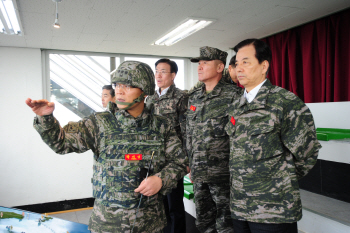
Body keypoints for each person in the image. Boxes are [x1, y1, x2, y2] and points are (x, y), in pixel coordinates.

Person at [25, 61, 188, 233]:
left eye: (128, 85)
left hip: (150, 224)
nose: (119, 90)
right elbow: (61, 143)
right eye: (117, 84)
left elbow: (179, 162)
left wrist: (161, 179)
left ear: (144, 90)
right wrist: (46, 119)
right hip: (106, 225)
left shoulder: (161, 126)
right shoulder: (98, 123)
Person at [226, 38, 322, 233]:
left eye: (246, 62)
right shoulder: (236, 106)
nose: (239, 69)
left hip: (273, 210)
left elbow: (308, 153)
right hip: (239, 206)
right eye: (237, 64)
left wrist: (279, 181)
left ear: (264, 66)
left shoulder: (285, 102)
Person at [187, 46, 240, 233]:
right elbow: (190, 134)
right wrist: (191, 164)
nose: (199, 67)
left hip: (224, 174)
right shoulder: (194, 98)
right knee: (203, 221)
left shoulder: (234, 96)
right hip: (199, 173)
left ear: (220, 68)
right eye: (199, 63)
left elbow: (239, 137)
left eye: (205, 63)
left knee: (226, 224)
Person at [145, 58, 188, 233]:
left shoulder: (181, 97)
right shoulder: (150, 99)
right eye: (156, 71)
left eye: (163, 71)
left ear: (173, 75)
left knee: (174, 206)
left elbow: (187, 131)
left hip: (173, 160)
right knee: (158, 206)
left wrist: (187, 160)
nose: (158, 75)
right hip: (154, 160)